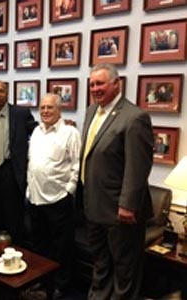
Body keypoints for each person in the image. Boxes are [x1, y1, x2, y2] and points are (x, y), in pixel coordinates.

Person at [80, 63, 154, 300]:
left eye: (100, 83)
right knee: (100, 264)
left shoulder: (134, 117)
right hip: (94, 206)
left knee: (124, 271)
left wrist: (128, 205)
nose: (95, 88)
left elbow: (138, 165)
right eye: (91, 84)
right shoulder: (91, 111)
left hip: (120, 212)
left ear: (116, 83)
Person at [27, 93, 81, 300]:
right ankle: (42, 280)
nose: (45, 111)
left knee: (62, 247)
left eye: (50, 107)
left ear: (59, 110)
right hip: (35, 198)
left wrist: (69, 191)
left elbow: (76, 165)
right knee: (40, 245)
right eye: (42, 108)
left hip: (58, 199)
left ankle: (61, 285)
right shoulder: (36, 131)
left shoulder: (70, 133)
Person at [0, 81, 37, 246]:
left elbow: (37, 130)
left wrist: (60, 125)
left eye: (1, 91)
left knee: (14, 217)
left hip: (12, 171)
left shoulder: (21, 113)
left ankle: (16, 252)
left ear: (7, 93)